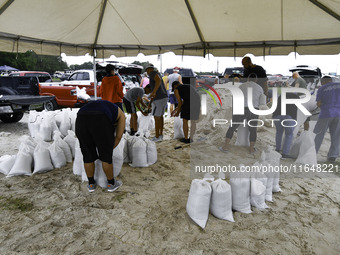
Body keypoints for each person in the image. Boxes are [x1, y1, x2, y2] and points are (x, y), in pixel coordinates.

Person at [75, 100, 125, 193]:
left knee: (87, 154)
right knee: (106, 157)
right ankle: (111, 184)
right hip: (100, 119)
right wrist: (107, 149)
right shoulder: (121, 114)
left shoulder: (106, 106)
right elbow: (118, 137)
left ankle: (91, 184)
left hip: (81, 118)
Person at [220, 74, 264, 154]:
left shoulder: (241, 86)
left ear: (248, 79)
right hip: (254, 108)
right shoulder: (259, 88)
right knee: (253, 129)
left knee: (232, 127)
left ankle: (225, 146)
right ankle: (251, 149)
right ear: (256, 80)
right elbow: (262, 102)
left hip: (241, 108)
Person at [313, 76, 340, 163]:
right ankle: (333, 156)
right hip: (338, 113)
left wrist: (323, 106)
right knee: (336, 136)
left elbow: (319, 103)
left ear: (323, 81)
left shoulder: (322, 88)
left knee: (318, 134)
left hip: (326, 113)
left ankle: (313, 152)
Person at [272, 93, 301, 159]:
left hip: (277, 115)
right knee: (289, 134)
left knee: (279, 133)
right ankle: (285, 153)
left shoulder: (281, 95)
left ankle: (277, 149)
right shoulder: (296, 96)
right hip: (289, 116)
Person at [145, 64, 168, 142]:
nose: (147, 73)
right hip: (164, 97)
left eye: (146, 71)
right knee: (160, 116)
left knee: (156, 117)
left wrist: (154, 92)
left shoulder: (152, 74)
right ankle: (160, 134)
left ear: (148, 70)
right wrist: (150, 103)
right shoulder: (157, 73)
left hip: (159, 98)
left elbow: (158, 80)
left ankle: (157, 136)